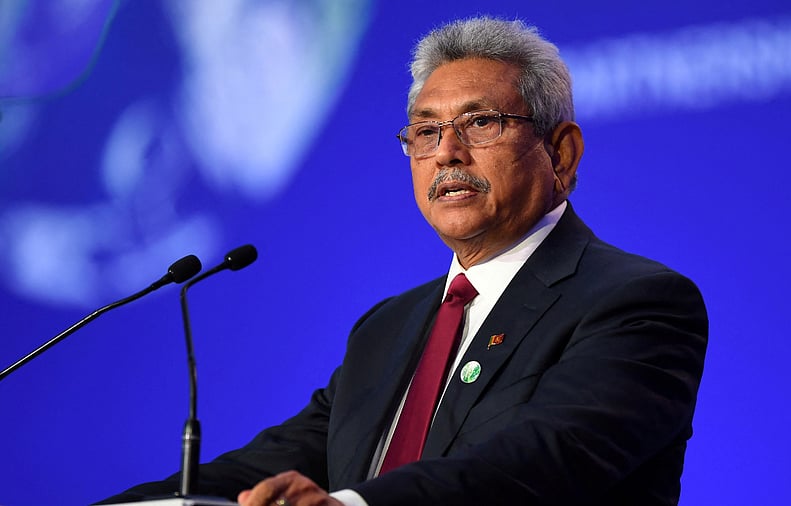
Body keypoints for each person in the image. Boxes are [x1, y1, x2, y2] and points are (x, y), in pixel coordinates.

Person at [98, 16, 707, 506]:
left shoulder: (637, 303)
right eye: (425, 130)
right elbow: (266, 465)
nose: (447, 152)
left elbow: (539, 464)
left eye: (481, 122)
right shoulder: (388, 328)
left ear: (562, 154)